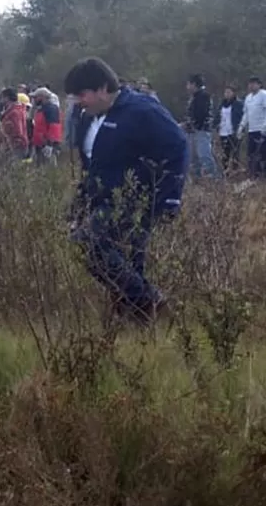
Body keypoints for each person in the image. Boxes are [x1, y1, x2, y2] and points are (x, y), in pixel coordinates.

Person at [64, 57, 186, 325]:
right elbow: (95, 166)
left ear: (103, 89)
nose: (79, 102)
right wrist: (80, 202)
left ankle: (145, 300)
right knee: (127, 261)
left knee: (90, 243)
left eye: (83, 95)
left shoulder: (143, 110)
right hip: (103, 198)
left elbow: (178, 147)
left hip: (136, 200)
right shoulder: (89, 118)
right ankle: (138, 319)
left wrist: (171, 198)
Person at [184, 74, 218, 180]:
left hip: (201, 130)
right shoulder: (194, 97)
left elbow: (201, 114)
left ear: (194, 84)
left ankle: (213, 178)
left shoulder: (203, 96)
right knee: (192, 157)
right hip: (192, 131)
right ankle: (196, 178)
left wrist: (191, 123)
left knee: (204, 155)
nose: (187, 87)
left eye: (188, 84)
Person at [244, 77, 266, 178]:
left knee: (264, 153)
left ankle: (264, 174)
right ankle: (254, 174)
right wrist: (242, 125)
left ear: (259, 84)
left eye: (254, 83)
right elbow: (246, 113)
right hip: (252, 130)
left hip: (264, 129)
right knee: (251, 153)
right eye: (250, 83)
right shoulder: (248, 97)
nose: (251, 86)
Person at [30, 86, 63, 165]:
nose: (34, 99)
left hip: (47, 145)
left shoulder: (51, 109)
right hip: (40, 144)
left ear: (42, 97)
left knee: (48, 169)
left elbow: (54, 127)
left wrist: (49, 145)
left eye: (36, 97)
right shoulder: (41, 109)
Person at [0, 88, 30, 160]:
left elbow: (18, 131)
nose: (1, 99)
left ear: (7, 98)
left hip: (16, 146)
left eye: (2, 97)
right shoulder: (14, 110)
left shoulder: (14, 112)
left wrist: (12, 144)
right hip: (12, 145)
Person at [218, 85, 244, 171]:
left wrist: (240, 129)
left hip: (234, 131)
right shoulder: (222, 104)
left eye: (229, 92)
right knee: (225, 153)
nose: (227, 94)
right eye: (225, 92)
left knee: (235, 153)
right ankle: (225, 171)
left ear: (234, 93)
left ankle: (235, 171)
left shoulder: (239, 104)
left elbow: (242, 117)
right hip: (223, 131)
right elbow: (218, 117)